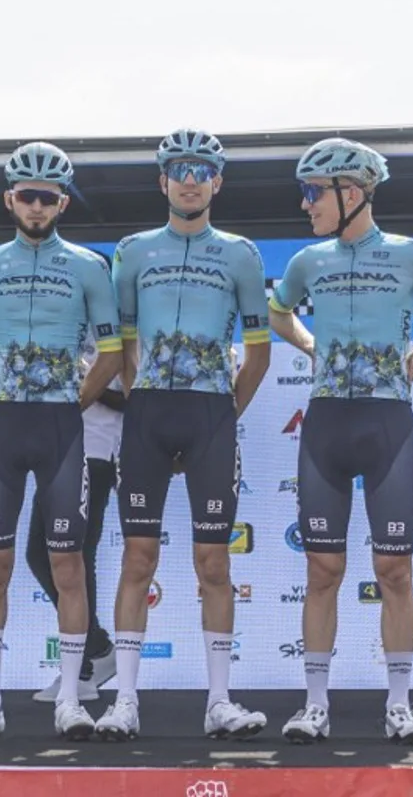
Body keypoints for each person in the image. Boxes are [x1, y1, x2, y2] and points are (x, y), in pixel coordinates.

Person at [269, 137, 413, 744]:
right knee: (323, 569)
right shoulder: (306, 261)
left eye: (314, 192)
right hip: (326, 424)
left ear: (353, 192)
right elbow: (277, 313)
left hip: (387, 425)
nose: (306, 204)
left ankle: (399, 704)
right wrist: (311, 346)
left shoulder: (411, 254)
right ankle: (314, 705)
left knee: (393, 569)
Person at [96, 129, 271, 742]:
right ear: (162, 180)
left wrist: (225, 412)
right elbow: (120, 343)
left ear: (217, 182)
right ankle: (124, 701)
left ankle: (219, 700)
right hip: (146, 415)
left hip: (210, 417)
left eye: (202, 169)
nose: (190, 178)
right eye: (179, 169)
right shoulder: (133, 250)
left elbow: (257, 351)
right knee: (137, 558)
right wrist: (140, 395)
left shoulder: (241, 254)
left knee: (212, 561)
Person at [0, 142, 123, 741]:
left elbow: (113, 351)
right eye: (28, 195)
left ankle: (72, 698)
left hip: (60, 428)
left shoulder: (88, 267)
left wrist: (73, 401)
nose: (37, 205)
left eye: (49, 197)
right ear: (10, 199)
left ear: (63, 203)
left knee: (68, 565)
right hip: (3, 423)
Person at [29, 255, 123, 703]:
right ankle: (97, 648)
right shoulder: (62, 323)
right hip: (54, 450)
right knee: (38, 555)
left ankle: (84, 669)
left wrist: (86, 380)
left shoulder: (118, 324)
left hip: (98, 451)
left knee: (74, 557)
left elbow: (132, 397)